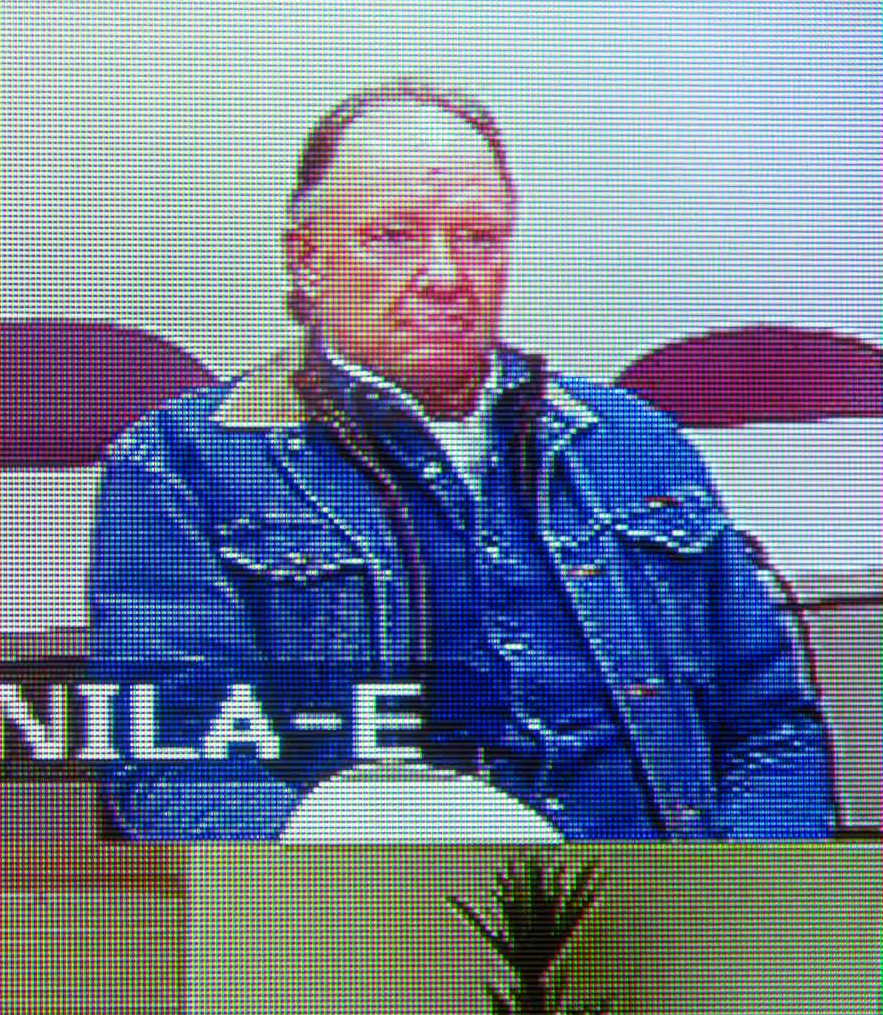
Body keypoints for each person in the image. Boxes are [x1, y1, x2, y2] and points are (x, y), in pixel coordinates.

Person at [87, 80, 835, 840]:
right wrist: (360, 871)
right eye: (395, 236)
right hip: (368, 926)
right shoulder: (185, 463)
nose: (446, 276)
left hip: (668, 918)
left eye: (477, 237)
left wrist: (744, 914)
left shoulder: (634, 442)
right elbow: (172, 762)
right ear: (306, 259)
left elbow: (771, 728)